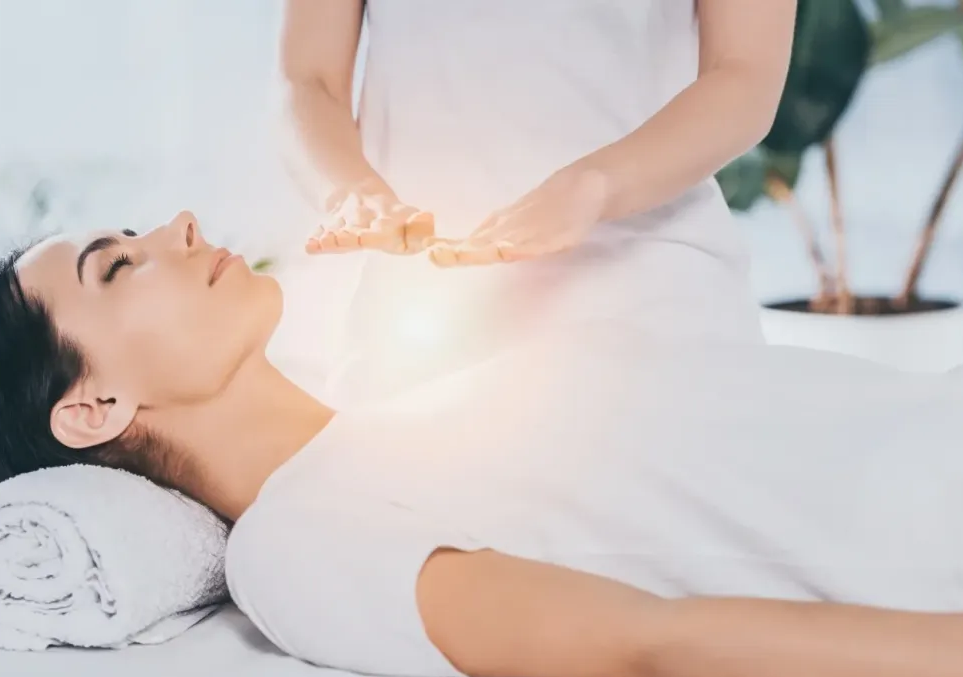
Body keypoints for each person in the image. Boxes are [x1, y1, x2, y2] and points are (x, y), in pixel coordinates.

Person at [0, 213, 963, 677]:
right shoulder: (295, 549)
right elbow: (661, 644)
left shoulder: (407, 407)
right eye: (119, 265)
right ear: (94, 408)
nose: (177, 226)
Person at [277, 0, 796, 404]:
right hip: (422, 323)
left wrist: (592, 186)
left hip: (655, 304)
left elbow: (745, 74)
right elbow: (307, 80)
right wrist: (353, 192)